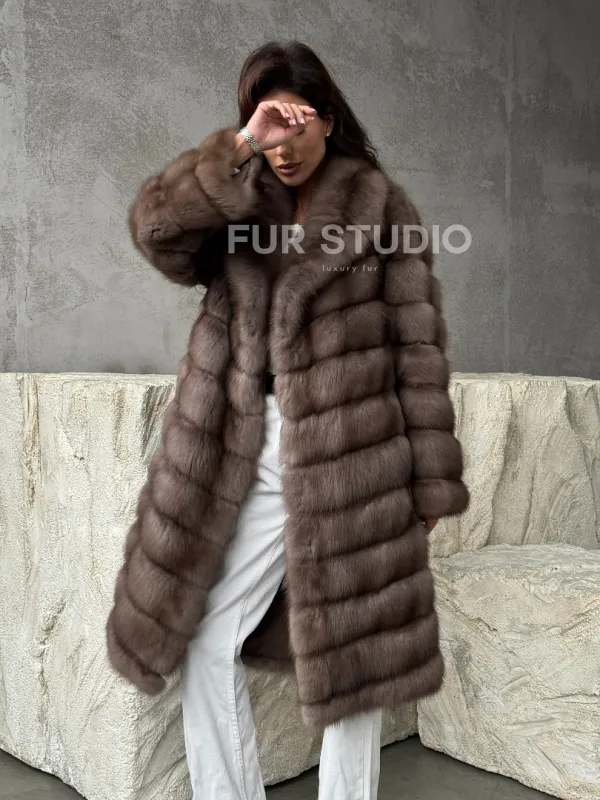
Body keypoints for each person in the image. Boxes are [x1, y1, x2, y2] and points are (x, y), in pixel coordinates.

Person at [106, 40, 469, 800]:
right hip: (251, 443)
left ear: (328, 120)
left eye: (295, 124)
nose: (283, 145)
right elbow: (157, 232)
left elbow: (417, 347)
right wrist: (239, 146)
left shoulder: (381, 208)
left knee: (355, 658)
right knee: (207, 634)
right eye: (267, 126)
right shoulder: (235, 202)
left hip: (357, 454)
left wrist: (431, 480)